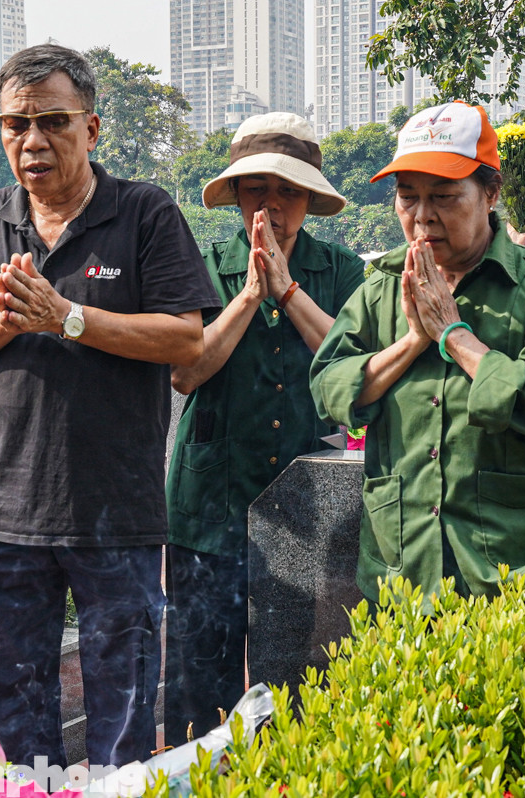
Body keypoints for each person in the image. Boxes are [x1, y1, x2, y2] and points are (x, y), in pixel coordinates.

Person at [0, 44, 219, 769]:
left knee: (122, 716)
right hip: (3, 512)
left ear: (91, 127)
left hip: (115, 511)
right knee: (10, 719)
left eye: (52, 121)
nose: (34, 141)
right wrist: (7, 322)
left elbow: (185, 338)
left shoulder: (144, 212)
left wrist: (68, 318)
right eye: (16, 124)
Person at [310, 101, 525, 603]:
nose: (422, 216)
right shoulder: (381, 289)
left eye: (443, 196)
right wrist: (414, 340)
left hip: (510, 564)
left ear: (491, 194)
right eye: (407, 197)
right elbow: (329, 387)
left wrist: (454, 336)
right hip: (401, 565)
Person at [165, 112, 364, 740]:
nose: (272, 205)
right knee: (201, 677)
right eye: (257, 189)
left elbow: (355, 370)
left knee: (302, 673)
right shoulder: (201, 265)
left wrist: (288, 291)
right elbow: (185, 373)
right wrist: (250, 293)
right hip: (211, 498)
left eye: (289, 191)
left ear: (309, 199)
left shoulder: (341, 271)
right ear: (236, 195)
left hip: (307, 499)